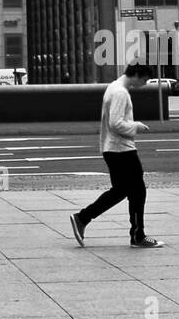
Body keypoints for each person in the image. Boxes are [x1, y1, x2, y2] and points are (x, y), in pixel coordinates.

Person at [69, 61, 163, 249]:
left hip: (112, 148)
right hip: (121, 149)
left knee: (121, 190)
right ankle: (138, 236)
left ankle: (83, 218)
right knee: (138, 191)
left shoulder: (113, 87)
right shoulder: (120, 92)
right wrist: (136, 126)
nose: (144, 84)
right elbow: (116, 123)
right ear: (136, 74)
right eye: (145, 79)